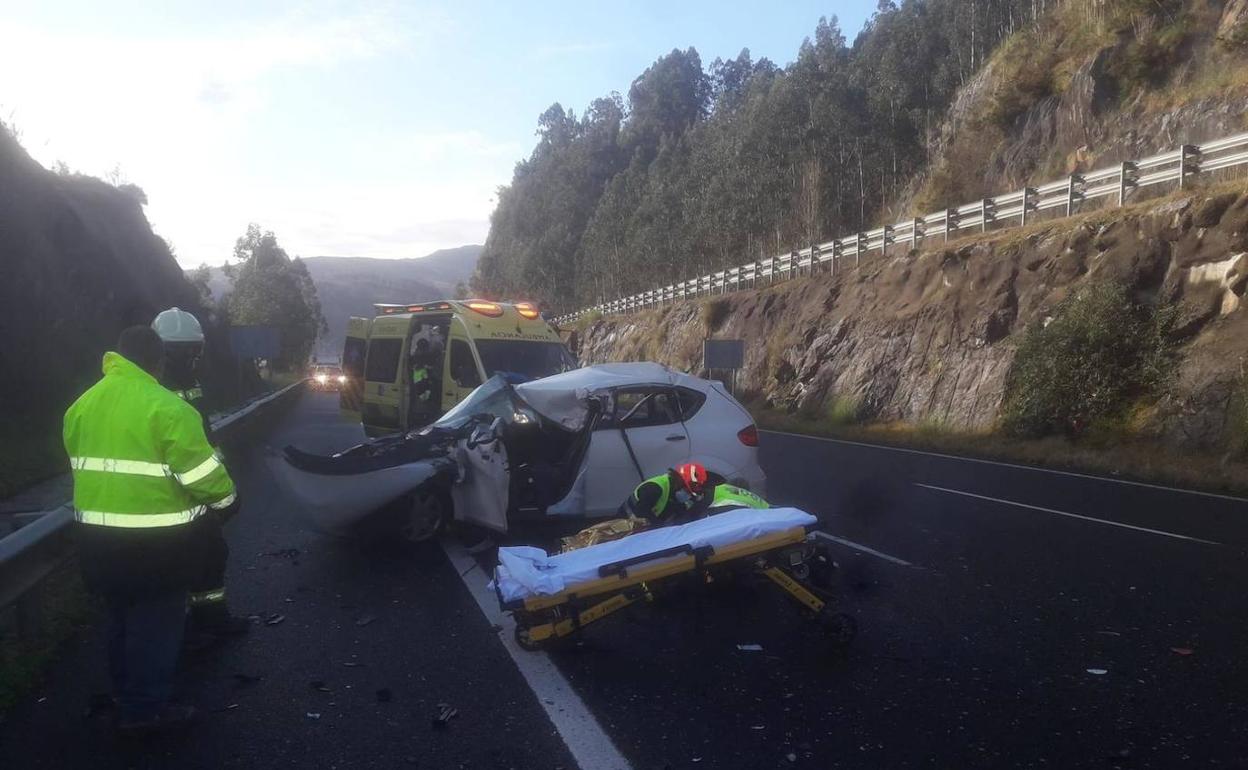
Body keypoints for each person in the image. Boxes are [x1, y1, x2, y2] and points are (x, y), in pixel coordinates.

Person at [64, 326, 239, 734]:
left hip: (94, 541)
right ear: (157, 360)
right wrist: (229, 502)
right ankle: (144, 711)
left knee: (121, 620)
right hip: (156, 548)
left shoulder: (81, 407)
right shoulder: (168, 409)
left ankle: (127, 694)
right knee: (155, 627)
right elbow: (203, 476)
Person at [151, 308, 249, 644]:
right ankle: (197, 621)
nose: (193, 356)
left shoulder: (187, 381)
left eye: (196, 350)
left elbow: (202, 434)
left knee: (210, 554)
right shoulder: (158, 387)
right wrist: (220, 493)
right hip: (174, 493)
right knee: (201, 556)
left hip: (194, 487)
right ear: (167, 351)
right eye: (188, 350)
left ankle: (203, 617)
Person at [622, 462, 769, 524]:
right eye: (687, 489)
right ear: (680, 481)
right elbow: (641, 516)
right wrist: (660, 528)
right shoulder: (655, 488)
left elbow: (679, 512)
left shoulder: (672, 491)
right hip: (624, 523)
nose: (687, 494)